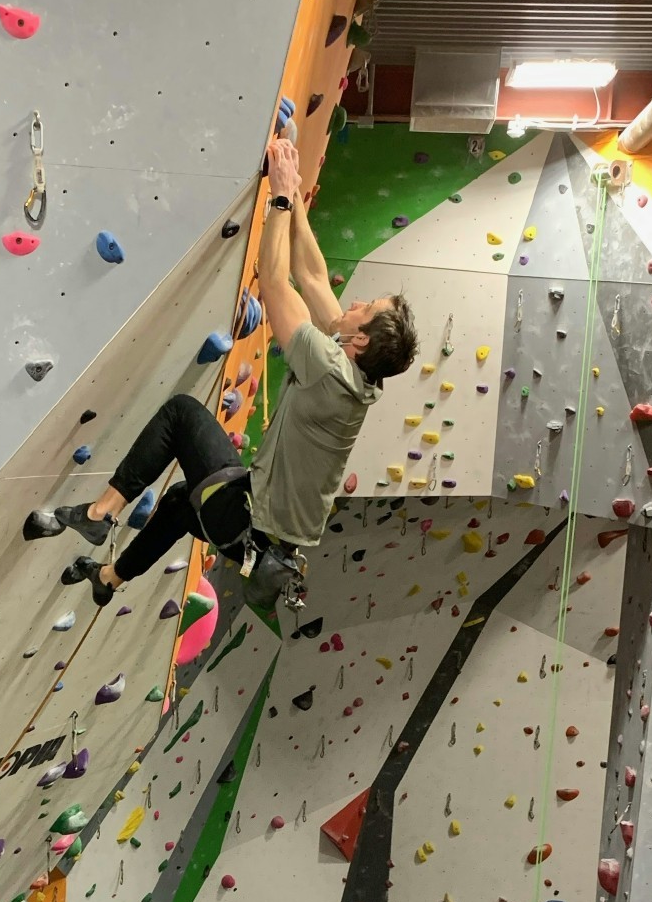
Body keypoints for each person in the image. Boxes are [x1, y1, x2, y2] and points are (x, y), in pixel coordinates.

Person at [27, 134, 417, 608]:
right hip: (261, 531)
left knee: (182, 415)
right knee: (179, 503)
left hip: (249, 520)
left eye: (366, 307)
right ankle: (107, 579)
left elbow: (274, 278)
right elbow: (312, 275)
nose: (355, 302)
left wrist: (276, 197)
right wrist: (291, 193)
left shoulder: (331, 368)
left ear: (361, 341)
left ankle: (99, 513)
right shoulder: (361, 375)